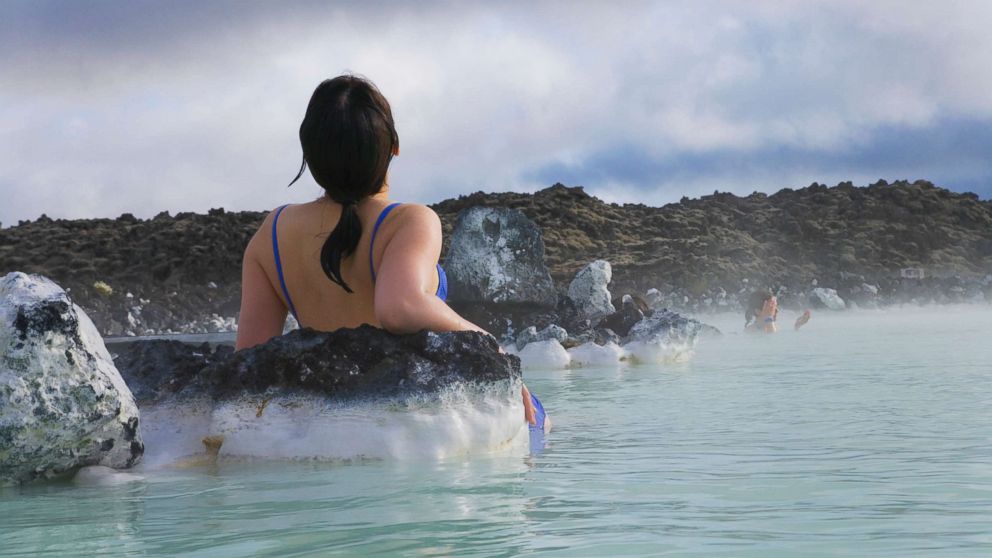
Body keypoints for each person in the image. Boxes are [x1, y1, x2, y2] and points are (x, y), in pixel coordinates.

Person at [236, 75, 546, 431]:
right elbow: (400, 306)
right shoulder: (407, 221)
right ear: (394, 145)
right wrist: (492, 349)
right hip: (414, 418)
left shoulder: (272, 232)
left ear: (309, 153)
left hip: (323, 421)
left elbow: (250, 356)